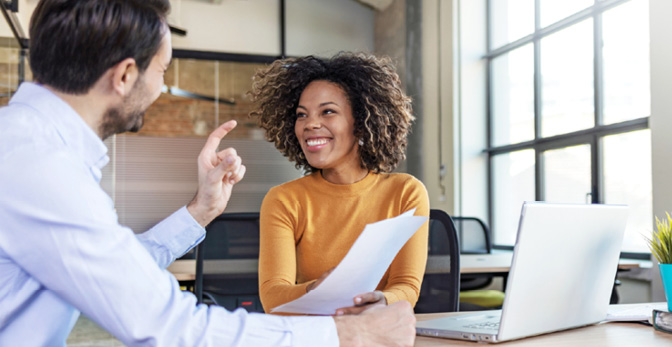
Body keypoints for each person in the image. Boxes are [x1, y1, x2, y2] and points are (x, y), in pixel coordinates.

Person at [0, 1, 415, 346]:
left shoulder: (30, 149)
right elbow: (167, 326)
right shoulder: (40, 165)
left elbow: (109, 270)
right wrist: (344, 334)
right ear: (126, 75)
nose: (162, 89)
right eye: (162, 71)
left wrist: (200, 211)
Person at [251, 52, 429, 315]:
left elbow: (406, 287)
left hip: (378, 330)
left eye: (328, 111)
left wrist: (380, 301)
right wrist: (317, 290)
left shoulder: (405, 193)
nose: (310, 124)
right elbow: (272, 297)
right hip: (314, 334)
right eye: (302, 115)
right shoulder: (283, 200)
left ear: (362, 121)